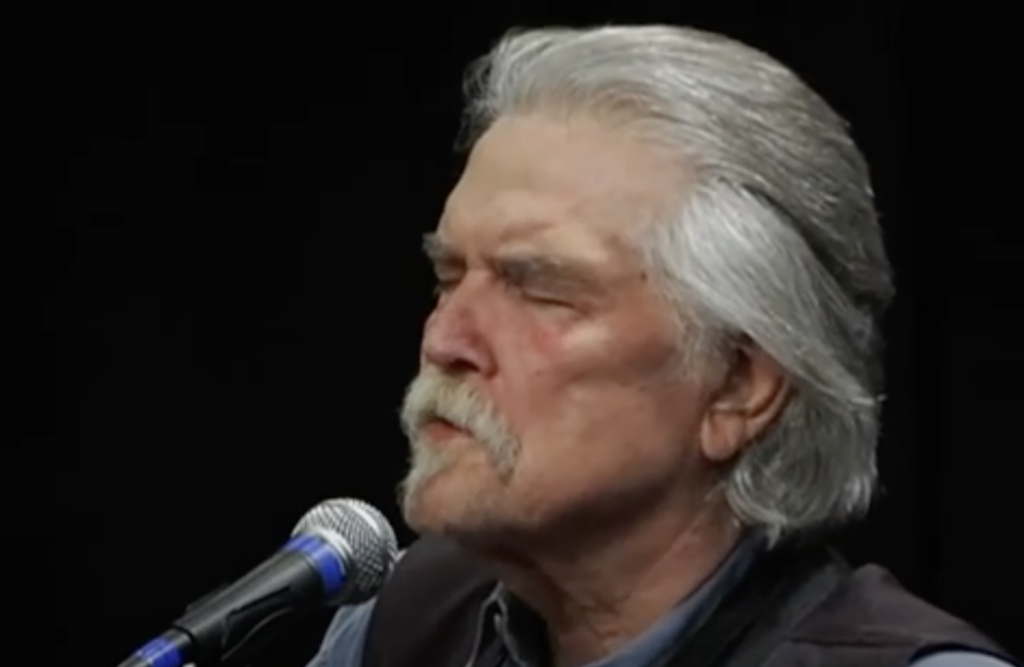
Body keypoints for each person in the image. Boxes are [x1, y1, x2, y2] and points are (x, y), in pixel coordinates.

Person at [308, 24, 1015, 667]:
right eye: (448, 277)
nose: (444, 339)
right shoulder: (396, 628)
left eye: (540, 289)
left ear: (738, 385)